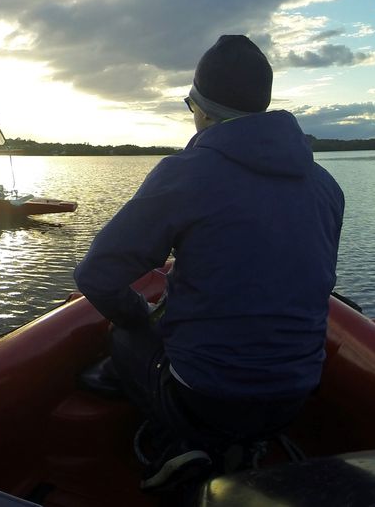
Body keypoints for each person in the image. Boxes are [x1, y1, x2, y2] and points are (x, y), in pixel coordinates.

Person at [73, 35, 344, 490]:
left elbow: (96, 277)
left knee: (124, 331)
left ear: (202, 110)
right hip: (296, 393)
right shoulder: (326, 185)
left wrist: (140, 318)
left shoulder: (186, 174)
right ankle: (235, 446)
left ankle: (184, 442)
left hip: (207, 398)